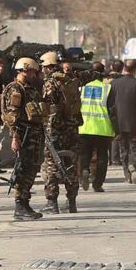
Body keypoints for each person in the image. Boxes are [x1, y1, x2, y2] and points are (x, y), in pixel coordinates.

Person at [0, 57, 46, 220]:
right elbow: (12, 116)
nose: (35, 74)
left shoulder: (30, 88)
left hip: (34, 135)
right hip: (24, 135)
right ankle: (19, 206)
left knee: (32, 169)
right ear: (25, 70)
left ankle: (25, 202)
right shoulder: (15, 89)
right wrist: (15, 137)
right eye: (33, 71)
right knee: (23, 170)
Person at [38, 51, 82, 212]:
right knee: (71, 165)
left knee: (52, 166)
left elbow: (52, 110)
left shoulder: (51, 83)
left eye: (44, 67)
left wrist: (49, 134)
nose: (42, 70)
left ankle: (52, 203)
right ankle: (72, 203)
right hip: (72, 129)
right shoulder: (70, 80)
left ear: (49, 67)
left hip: (56, 131)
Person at [110, 59, 136, 184]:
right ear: (135, 70)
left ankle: (127, 176)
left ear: (124, 68)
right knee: (135, 147)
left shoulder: (114, 83)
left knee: (123, 148)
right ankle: (133, 165)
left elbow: (110, 103)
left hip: (119, 122)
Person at [77, 63, 116, 192]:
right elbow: (112, 111)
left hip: (84, 127)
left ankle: (84, 170)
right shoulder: (108, 88)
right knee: (102, 157)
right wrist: (117, 129)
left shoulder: (82, 88)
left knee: (84, 154)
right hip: (103, 128)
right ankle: (97, 184)